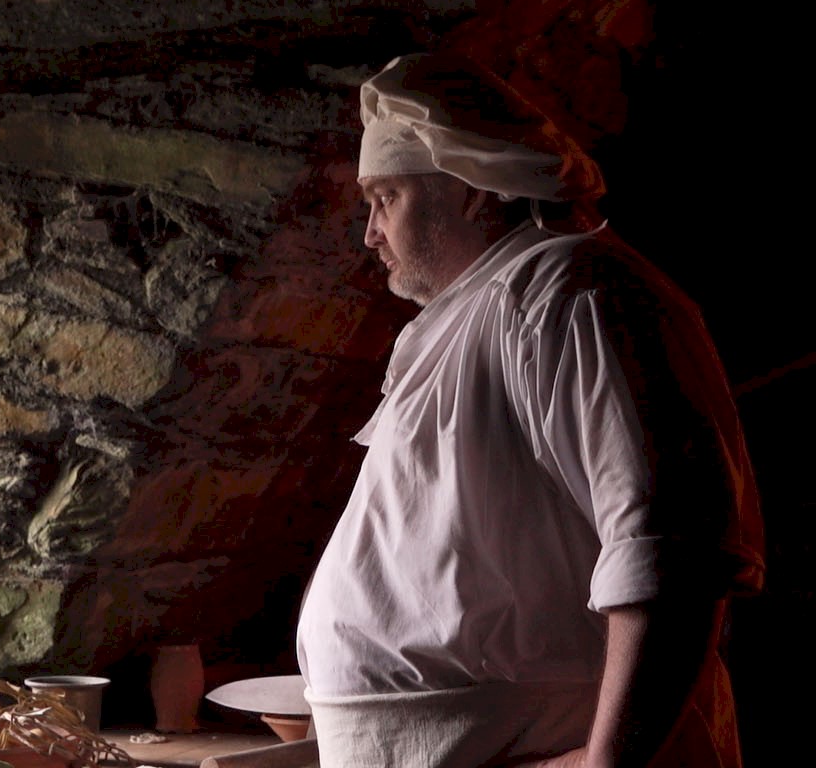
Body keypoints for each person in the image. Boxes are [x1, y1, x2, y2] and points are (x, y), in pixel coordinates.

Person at [293, 52, 766, 768]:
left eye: (386, 198)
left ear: (473, 191)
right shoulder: (488, 308)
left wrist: (606, 765)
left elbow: (672, 555)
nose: (370, 234)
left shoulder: (572, 295)